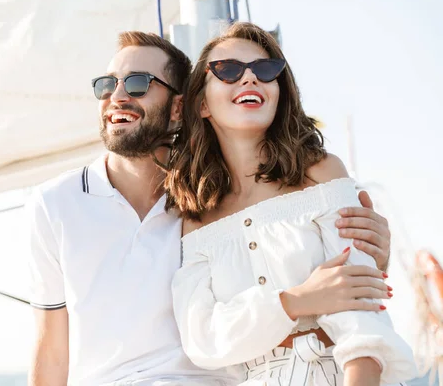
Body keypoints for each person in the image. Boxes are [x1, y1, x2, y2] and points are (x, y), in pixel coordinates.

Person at [27, 30, 395, 386]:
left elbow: (356, 303)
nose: (118, 96)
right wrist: (297, 300)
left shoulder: (197, 201)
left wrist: (374, 255)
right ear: (202, 104)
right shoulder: (59, 203)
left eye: (138, 83)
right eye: (107, 85)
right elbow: (52, 352)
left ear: (178, 107)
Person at [165, 22, 417, 385]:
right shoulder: (197, 217)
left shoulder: (322, 174)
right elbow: (203, 339)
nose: (250, 79)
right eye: (229, 70)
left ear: (279, 90)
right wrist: (296, 300)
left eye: (265, 70)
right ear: (202, 104)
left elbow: (364, 318)